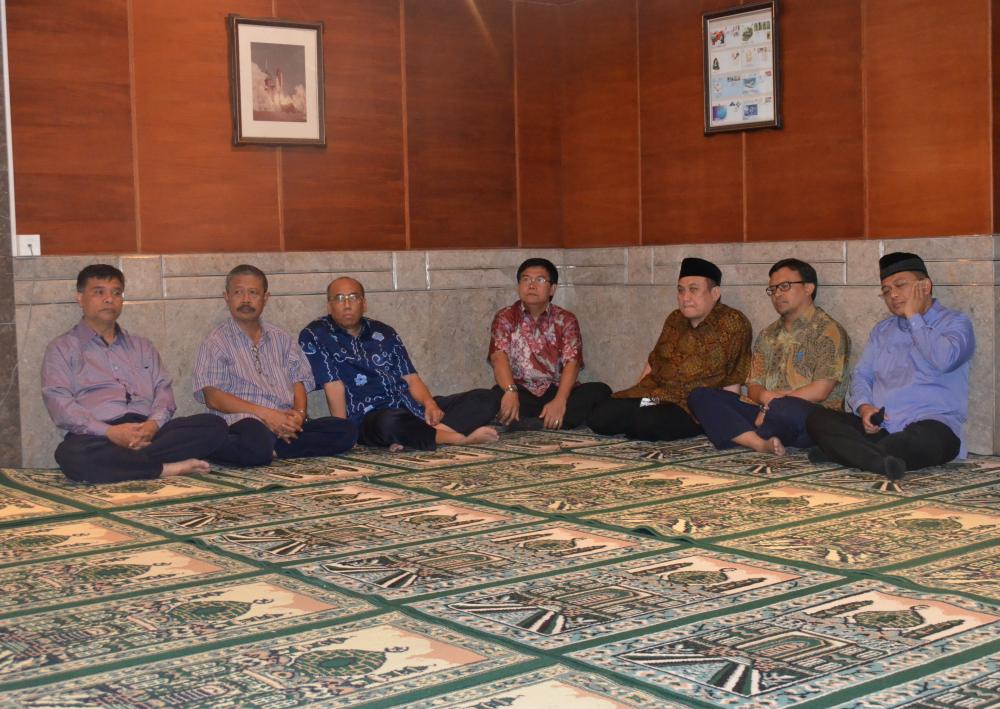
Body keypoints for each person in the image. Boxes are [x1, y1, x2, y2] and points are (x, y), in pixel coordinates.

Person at [41, 264, 227, 483]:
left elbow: (163, 391)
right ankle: (165, 468)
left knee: (213, 426)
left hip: (149, 432)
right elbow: (61, 406)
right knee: (71, 455)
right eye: (99, 292)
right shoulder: (62, 348)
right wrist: (110, 433)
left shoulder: (142, 346)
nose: (109, 299)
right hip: (98, 436)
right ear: (80, 298)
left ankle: (126, 464)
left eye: (116, 293)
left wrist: (152, 425)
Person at [806, 252, 974, 482]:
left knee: (920, 441)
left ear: (925, 286)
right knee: (817, 419)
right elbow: (862, 375)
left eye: (900, 285)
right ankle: (873, 458)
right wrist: (864, 407)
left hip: (933, 426)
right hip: (881, 427)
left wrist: (914, 317)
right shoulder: (882, 330)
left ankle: (846, 452)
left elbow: (945, 360)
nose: (892, 295)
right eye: (886, 290)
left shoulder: (955, 323)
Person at [299, 277, 500, 450]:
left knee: (487, 397)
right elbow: (333, 386)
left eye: (353, 297)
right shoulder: (316, 335)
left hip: (410, 408)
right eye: (339, 298)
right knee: (390, 422)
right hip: (369, 418)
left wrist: (429, 404)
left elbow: (411, 378)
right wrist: (343, 432)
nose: (347, 304)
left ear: (364, 303)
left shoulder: (384, 332)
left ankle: (430, 433)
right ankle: (455, 438)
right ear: (329, 306)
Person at [192, 265, 357, 466]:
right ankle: (265, 448)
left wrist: (298, 415)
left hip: (284, 419)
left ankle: (271, 450)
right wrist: (266, 415)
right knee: (255, 436)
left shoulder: (281, 338)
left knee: (345, 430)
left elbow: (298, 382)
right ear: (227, 297)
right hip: (243, 422)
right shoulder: (215, 342)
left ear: (265, 298)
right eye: (238, 292)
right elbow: (213, 398)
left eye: (253, 293)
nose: (246, 300)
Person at [688, 258, 849, 454]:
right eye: (772, 289)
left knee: (786, 411)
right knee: (701, 396)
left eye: (784, 286)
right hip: (765, 411)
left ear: (808, 288)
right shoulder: (767, 334)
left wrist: (772, 405)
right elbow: (754, 386)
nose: (777, 294)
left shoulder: (828, 331)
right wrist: (766, 400)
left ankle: (744, 431)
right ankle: (759, 443)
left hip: (808, 416)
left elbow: (820, 391)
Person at [588, 257, 752, 441]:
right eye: (681, 291)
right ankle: (635, 420)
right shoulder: (675, 318)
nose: (685, 298)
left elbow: (734, 375)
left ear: (715, 293)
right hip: (657, 398)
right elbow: (654, 361)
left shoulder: (732, 323)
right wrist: (636, 395)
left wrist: (726, 420)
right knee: (602, 415)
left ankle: (642, 424)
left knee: (648, 420)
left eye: (693, 289)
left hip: (690, 408)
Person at [488, 258, 611, 431]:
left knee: (600, 391)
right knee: (491, 398)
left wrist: (560, 400)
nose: (531, 285)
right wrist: (510, 390)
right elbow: (498, 357)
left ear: (552, 289)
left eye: (539, 280)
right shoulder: (505, 317)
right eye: (526, 279)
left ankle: (534, 422)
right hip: (520, 391)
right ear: (518, 286)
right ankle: (554, 423)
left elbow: (572, 363)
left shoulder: (566, 319)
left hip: (556, 390)